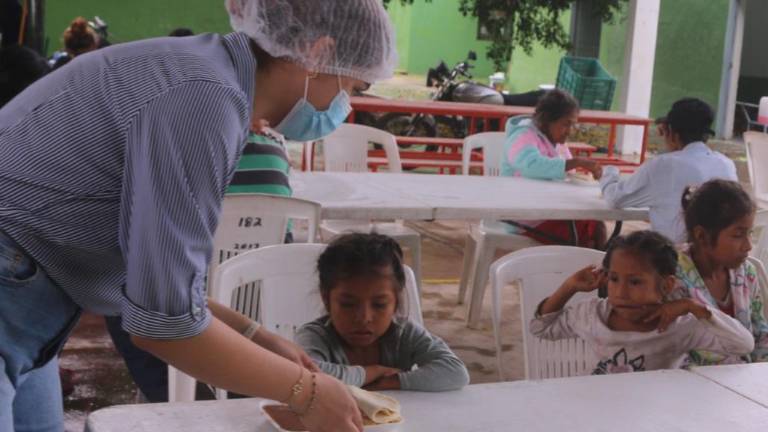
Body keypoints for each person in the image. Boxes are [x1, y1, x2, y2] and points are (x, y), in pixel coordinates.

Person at [0, 0, 397, 430]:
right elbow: (163, 323)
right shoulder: (205, 98)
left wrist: (257, 337)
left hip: (29, 299)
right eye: (351, 87)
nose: (345, 105)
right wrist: (307, 391)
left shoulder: (204, 72)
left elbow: (158, 280)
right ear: (317, 54)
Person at [104, 120, 295, 403]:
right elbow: (284, 249)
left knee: (122, 293)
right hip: (257, 310)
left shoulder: (173, 155)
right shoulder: (274, 154)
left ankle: (169, 399)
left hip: (178, 316)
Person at [530, 230, 754, 374]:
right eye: (614, 279)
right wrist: (569, 287)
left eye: (635, 282)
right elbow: (541, 328)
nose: (621, 292)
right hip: (601, 410)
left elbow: (743, 345)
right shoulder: (591, 315)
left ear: (666, 285)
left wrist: (694, 307)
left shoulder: (680, 326)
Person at [296, 233, 469, 392]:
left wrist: (391, 382)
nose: (364, 318)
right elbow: (308, 376)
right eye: (348, 304)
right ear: (326, 299)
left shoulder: (404, 333)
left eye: (379, 305)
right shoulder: (314, 336)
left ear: (395, 302)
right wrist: (374, 372)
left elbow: (455, 372)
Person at [599, 98, 737, 244]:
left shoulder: (663, 165)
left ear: (672, 133)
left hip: (674, 255)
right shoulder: (727, 164)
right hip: (718, 253)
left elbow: (615, 199)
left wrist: (608, 173)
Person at [672, 179, 768, 365]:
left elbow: (761, 335)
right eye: (738, 235)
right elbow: (671, 348)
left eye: (749, 233)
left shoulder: (746, 273)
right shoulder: (671, 277)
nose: (748, 246)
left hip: (744, 377)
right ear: (701, 236)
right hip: (691, 379)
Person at [500, 89, 606, 248]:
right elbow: (532, 165)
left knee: (596, 225)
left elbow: (567, 172)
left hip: (548, 210)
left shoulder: (555, 141)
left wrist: (576, 168)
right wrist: (576, 162)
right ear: (547, 120)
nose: (570, 131)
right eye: (566, 124)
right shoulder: (522, 136)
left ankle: (596, 263)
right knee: (581, 232)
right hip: (524, 216)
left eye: (573, 125)